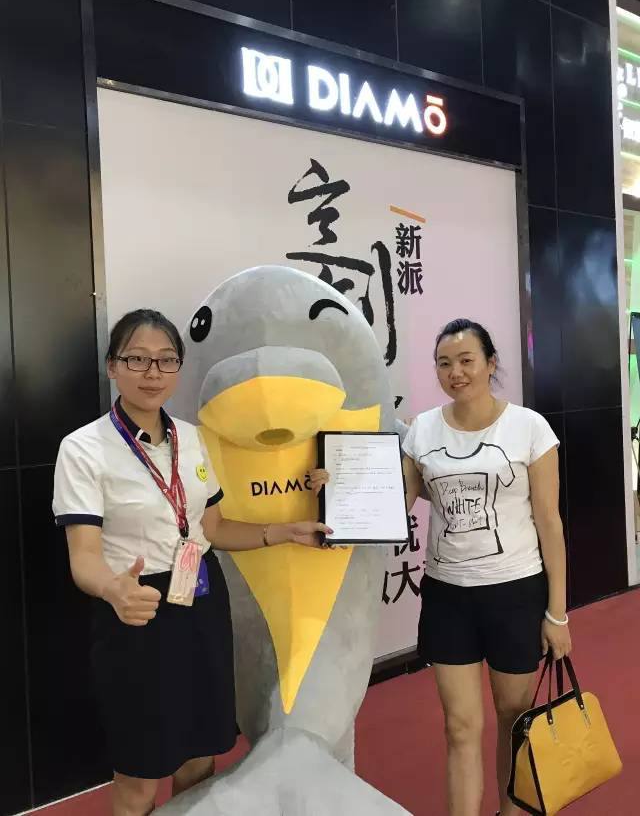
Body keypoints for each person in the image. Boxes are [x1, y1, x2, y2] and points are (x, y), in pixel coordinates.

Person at [53, 309, 332, 816]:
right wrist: (115, 589)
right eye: (137, 359)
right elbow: (84, 556)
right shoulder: (84, 448)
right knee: (140, 774)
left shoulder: (191, 438)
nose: (153, 372)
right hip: (135, 611)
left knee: (200, 759)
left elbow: (213, 528)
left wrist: (282, 532)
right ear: (113, 366)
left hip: (202, 603)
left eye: (166, 360)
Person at [311, 318, 572, 816]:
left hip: (515, 592)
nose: (456, 372)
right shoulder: (423, 430)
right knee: (459, 727)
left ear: (491, 364)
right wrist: (336, 491)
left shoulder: (529, 428)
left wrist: (556, 614)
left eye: (467, 360)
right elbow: (393, 504)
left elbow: (549, 524)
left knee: (514, 718)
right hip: (448, 596)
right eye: (445, 363)